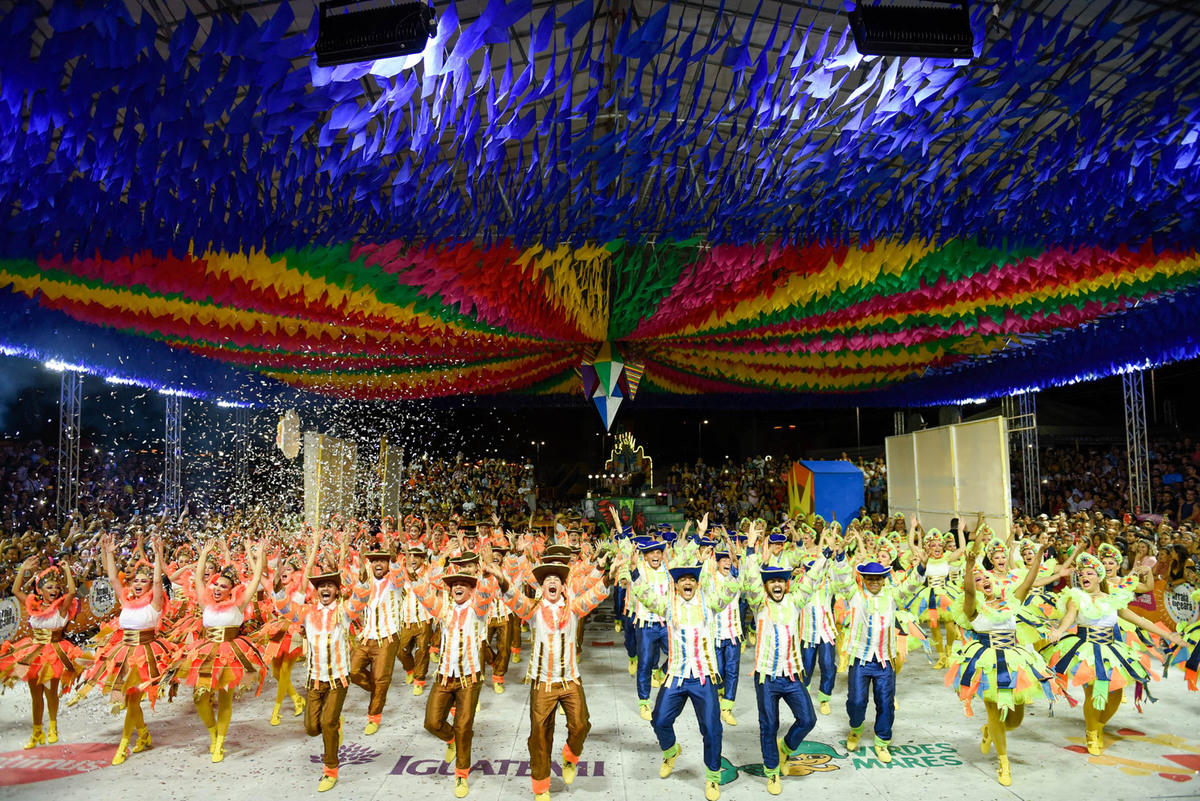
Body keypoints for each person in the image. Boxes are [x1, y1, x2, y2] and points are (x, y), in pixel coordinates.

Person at [1043, 553, 1187, 754]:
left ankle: (1098, 725)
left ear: (1099, 577)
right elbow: (1069, 617)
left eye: (1090, 573)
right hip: (1086, 651)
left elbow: (1140, 620)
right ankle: (1091, 732)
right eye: (1081, 573)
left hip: (1111, 649)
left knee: (1116, 695)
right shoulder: (1076, 598)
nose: (1084, 576)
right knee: (1093, 695)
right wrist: (1059, 630)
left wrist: (1169, 635)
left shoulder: (1113, 599)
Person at [622, 561, 740, 801]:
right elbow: (646, 596)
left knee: (712, 729)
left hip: (703, 676)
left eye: (691, 579)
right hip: (676, 675)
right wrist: (635, 573)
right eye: (682, 580)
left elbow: (729, 591)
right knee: (659, 720)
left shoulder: (709, 604)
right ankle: (672, 751)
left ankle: (713, 778)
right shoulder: (668, 606)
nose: (687, 583)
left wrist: (736, 568)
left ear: (697, 584)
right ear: (676, 586)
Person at [742, 528, 848, 795]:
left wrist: (825, 554)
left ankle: (786, 748)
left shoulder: (796, 601)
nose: (776, 584)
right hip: (766, 677)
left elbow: (812, 579)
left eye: (780, 581)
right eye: (771, 582)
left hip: (791, 676)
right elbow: (751, 578)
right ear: (766, 587)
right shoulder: (759, 604)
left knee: (808, 719)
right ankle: (772, 772)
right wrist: (752, 548)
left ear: (786, 584)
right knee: (768, 726)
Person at [945, 538, 1056, 786]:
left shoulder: (1011, 602)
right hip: (987, 663)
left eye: (986, 578)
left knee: (1015, 720)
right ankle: (1003, 762)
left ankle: (989, 732)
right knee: (996, 713)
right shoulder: (972, 609)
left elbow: (1028, 581)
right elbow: (970, 591)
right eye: (978, 580)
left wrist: (1038, 555)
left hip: (1014, 660)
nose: (983, 582)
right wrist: (970, 567)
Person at [506, 555, 613, 801]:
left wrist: (610, 575)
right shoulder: (533, 609)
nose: (552, 582)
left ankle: (570, 755)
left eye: (557, 579)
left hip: (570, 680)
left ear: (563, 587)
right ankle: (541, 787)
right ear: (541, 588)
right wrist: (501, 579)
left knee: (581, 725)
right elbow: (513, 599)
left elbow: (595, 594)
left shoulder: (573, 607)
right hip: (542, 682)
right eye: (547, 580)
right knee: (539, 736)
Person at [72, 531, 173, 765]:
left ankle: (124, 745)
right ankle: (144, 734)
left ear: (151, 586)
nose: (138, 584)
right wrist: (108, 553)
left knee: (133, 701)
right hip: (123, 653)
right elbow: (113, 579)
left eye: (143, 581)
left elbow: (159, 581)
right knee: (129, 700)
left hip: (145, 655)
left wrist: (158, 556)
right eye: (136, 580)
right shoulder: (126, 600)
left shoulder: (155, 603)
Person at [414, 549, 505, 798]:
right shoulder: (442, 609)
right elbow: (422, 593)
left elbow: (486, 591)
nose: (458, 586)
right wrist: (410, 573)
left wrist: (487, 568)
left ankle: (461, 775)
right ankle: (451, 741)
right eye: (455, 584)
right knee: (431, 723)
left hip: (470, 679)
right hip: (444, 676)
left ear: (471, 590)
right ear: (450, 589)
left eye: (464, 584)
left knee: (464, 727)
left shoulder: (479, 609)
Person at [178, 537, 268, 762]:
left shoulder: (240, 604)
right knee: (200, 698)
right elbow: (198, 578)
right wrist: (204, 555)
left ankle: (220, 743)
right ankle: (212, 732)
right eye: (216, 584)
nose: (217, 588)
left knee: (225, 699)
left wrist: (254, 553)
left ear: (232, 591)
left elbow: (256, 578)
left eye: (223, 586)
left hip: (231, 653)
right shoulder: (205, 602)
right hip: (206, 651)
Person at [277, 536, 352, 793]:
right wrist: (276, 574)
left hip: (338, 679)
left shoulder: (344, 611)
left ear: (337, 591)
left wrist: (348, 564)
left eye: (331, 585)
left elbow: (362, 595)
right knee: (311, 728)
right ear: (317, 591)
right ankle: (335, 723)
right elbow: (283, 606)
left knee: (328, 724)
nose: (325, 589)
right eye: (321, 586)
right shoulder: (307, 613)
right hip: (314, 679)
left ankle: (330, 770)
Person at [832, 556, 923, 764]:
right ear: (863, 579)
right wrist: (838, 556)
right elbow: (843, 577)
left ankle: (882, 741)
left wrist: (923, 566)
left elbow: (911, 585)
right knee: (856, 701)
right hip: (861, 659)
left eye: (878, 578)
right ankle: (855, 728)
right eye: (869, 578)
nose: (874, 581)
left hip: (885, 660)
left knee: (885, 702)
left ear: (884, 580)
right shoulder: (854, 595)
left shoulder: (892, 596)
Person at [0, 554, 84, 749]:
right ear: (40, 590)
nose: (54, 590)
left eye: (56, 587)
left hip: (54, 652)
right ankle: (37, 731)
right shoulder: (33, 605)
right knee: (35, 695)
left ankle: (53, 727)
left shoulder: (61, 608)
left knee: (50, 693)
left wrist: (67, 571)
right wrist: (23, 569)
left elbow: (72, 591)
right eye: (49, 587)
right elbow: (14, 590)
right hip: (34, 652)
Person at [348, 548, 403, 734]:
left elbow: (400, 575)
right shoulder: (367, 582)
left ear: (388, 564)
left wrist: (394, 558)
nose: (378, 564)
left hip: (387, 638)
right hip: (366, 636)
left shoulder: (395, 583)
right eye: (375, 561)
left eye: (382, 561)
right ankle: (379, 689)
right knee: (352, 670)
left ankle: (373, 717)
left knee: (380, 679)